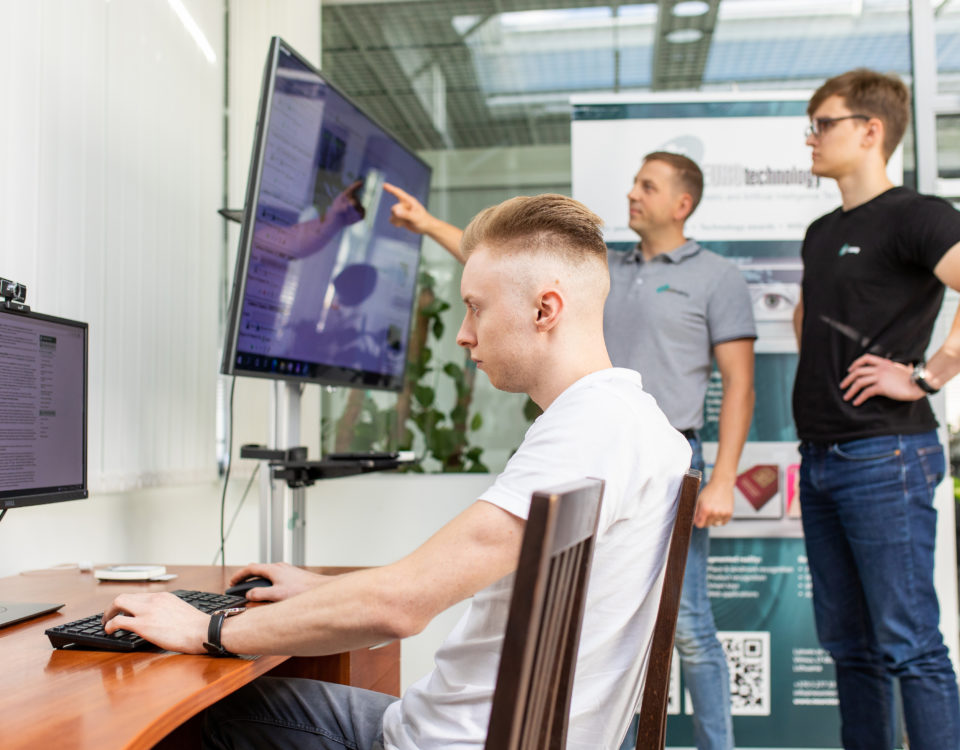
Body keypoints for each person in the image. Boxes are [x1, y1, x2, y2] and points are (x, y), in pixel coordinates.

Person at [102, 194, 692, 750]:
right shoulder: (640, 427)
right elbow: (450, 578)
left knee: (193, 712)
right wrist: (324, 591)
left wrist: (206, 630)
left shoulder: (588, 431)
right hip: (466, 734)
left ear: (545, 309)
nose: (463, 334)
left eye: (476, 307)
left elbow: (401, 606)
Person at [384, 151, 756, 750]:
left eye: (648, 186)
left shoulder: (716, 277)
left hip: (662, 451)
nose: (633, 193)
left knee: (686, 627)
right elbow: (515, 278)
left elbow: (740, 382)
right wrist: (428, 226)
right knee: (599, 626)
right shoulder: (607, 269)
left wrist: (724, 477)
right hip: (595, 446)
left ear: (682, 204)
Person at [793, 68, 960, 749]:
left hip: (885, 455)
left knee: (909, 644)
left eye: (823, 123)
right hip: (820, 459)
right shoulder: (820, 231)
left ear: (870, 130)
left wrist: (926, 376)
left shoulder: (918, 216)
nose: (811, 138)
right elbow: (810, 318)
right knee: (849, 648)